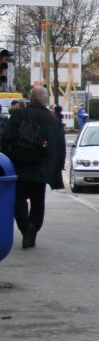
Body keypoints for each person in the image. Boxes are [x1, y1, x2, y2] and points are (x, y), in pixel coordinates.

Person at [0, 85, 66, 249]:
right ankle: (33, 228)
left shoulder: (18, 115)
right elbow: (58, 147)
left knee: (18, 200)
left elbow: (5, 138)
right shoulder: (52, 120)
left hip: (18, 166)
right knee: (38, 202)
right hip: (40, 169)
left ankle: (26, 227)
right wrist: (55, 169)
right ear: (45, 100)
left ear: (30, 99)